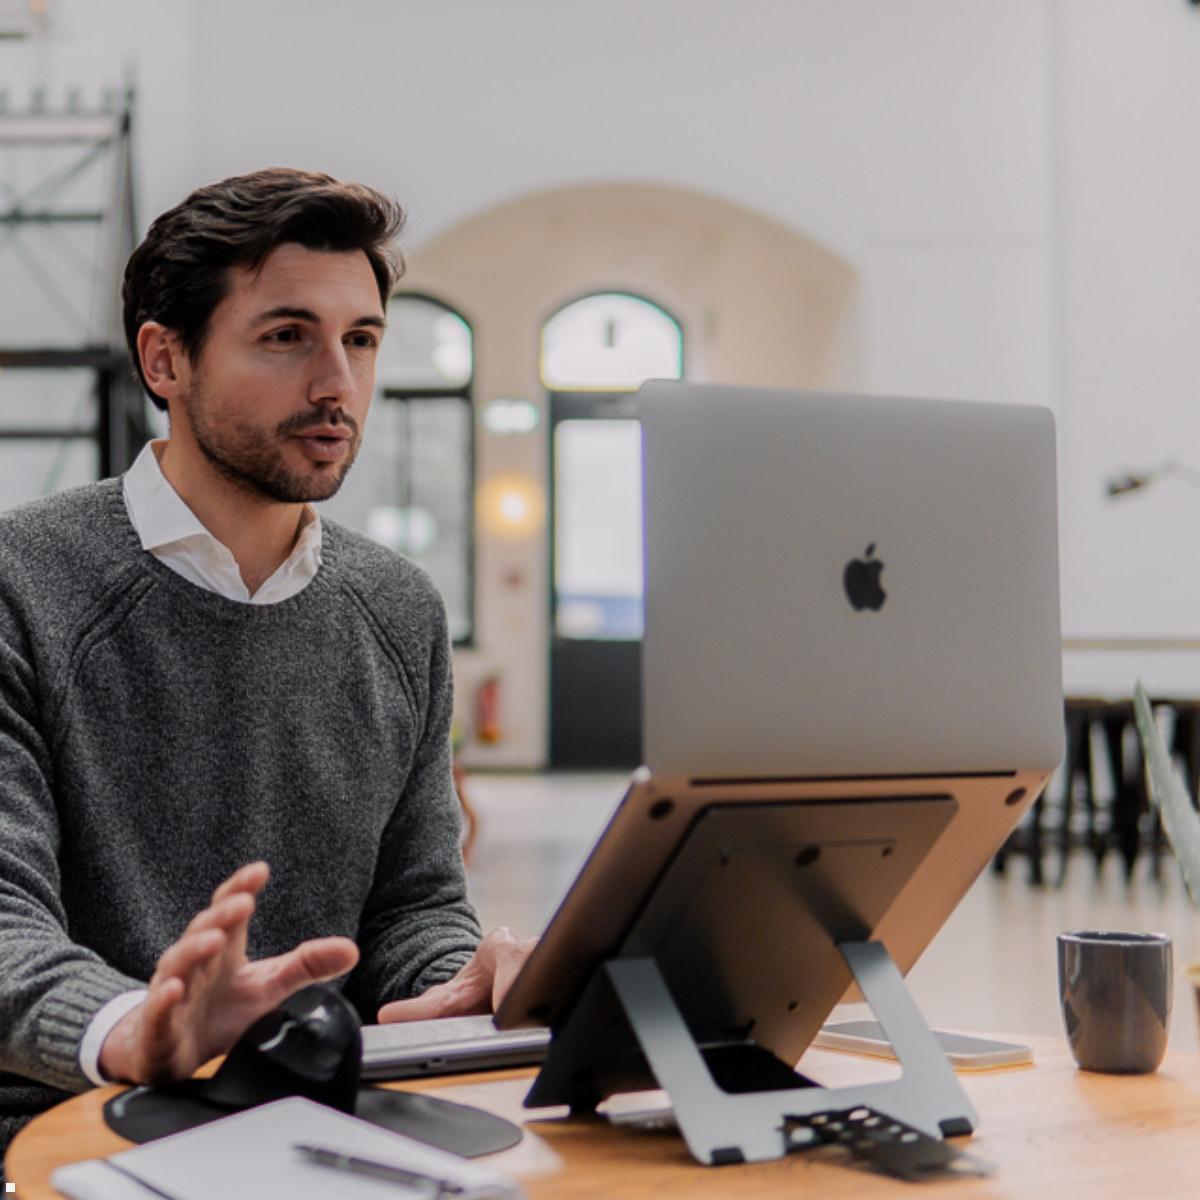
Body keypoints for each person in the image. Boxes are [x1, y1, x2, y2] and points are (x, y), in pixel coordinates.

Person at [0, 167, 530, 1152]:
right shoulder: (22, 582)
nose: (337, 383)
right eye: (287, 337)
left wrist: (451, 985)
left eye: (361, 340)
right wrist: (138, 1029)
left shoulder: (398, 607)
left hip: (326, 1126)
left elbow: (413, 904)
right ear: (165, 359)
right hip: (67, 1131)